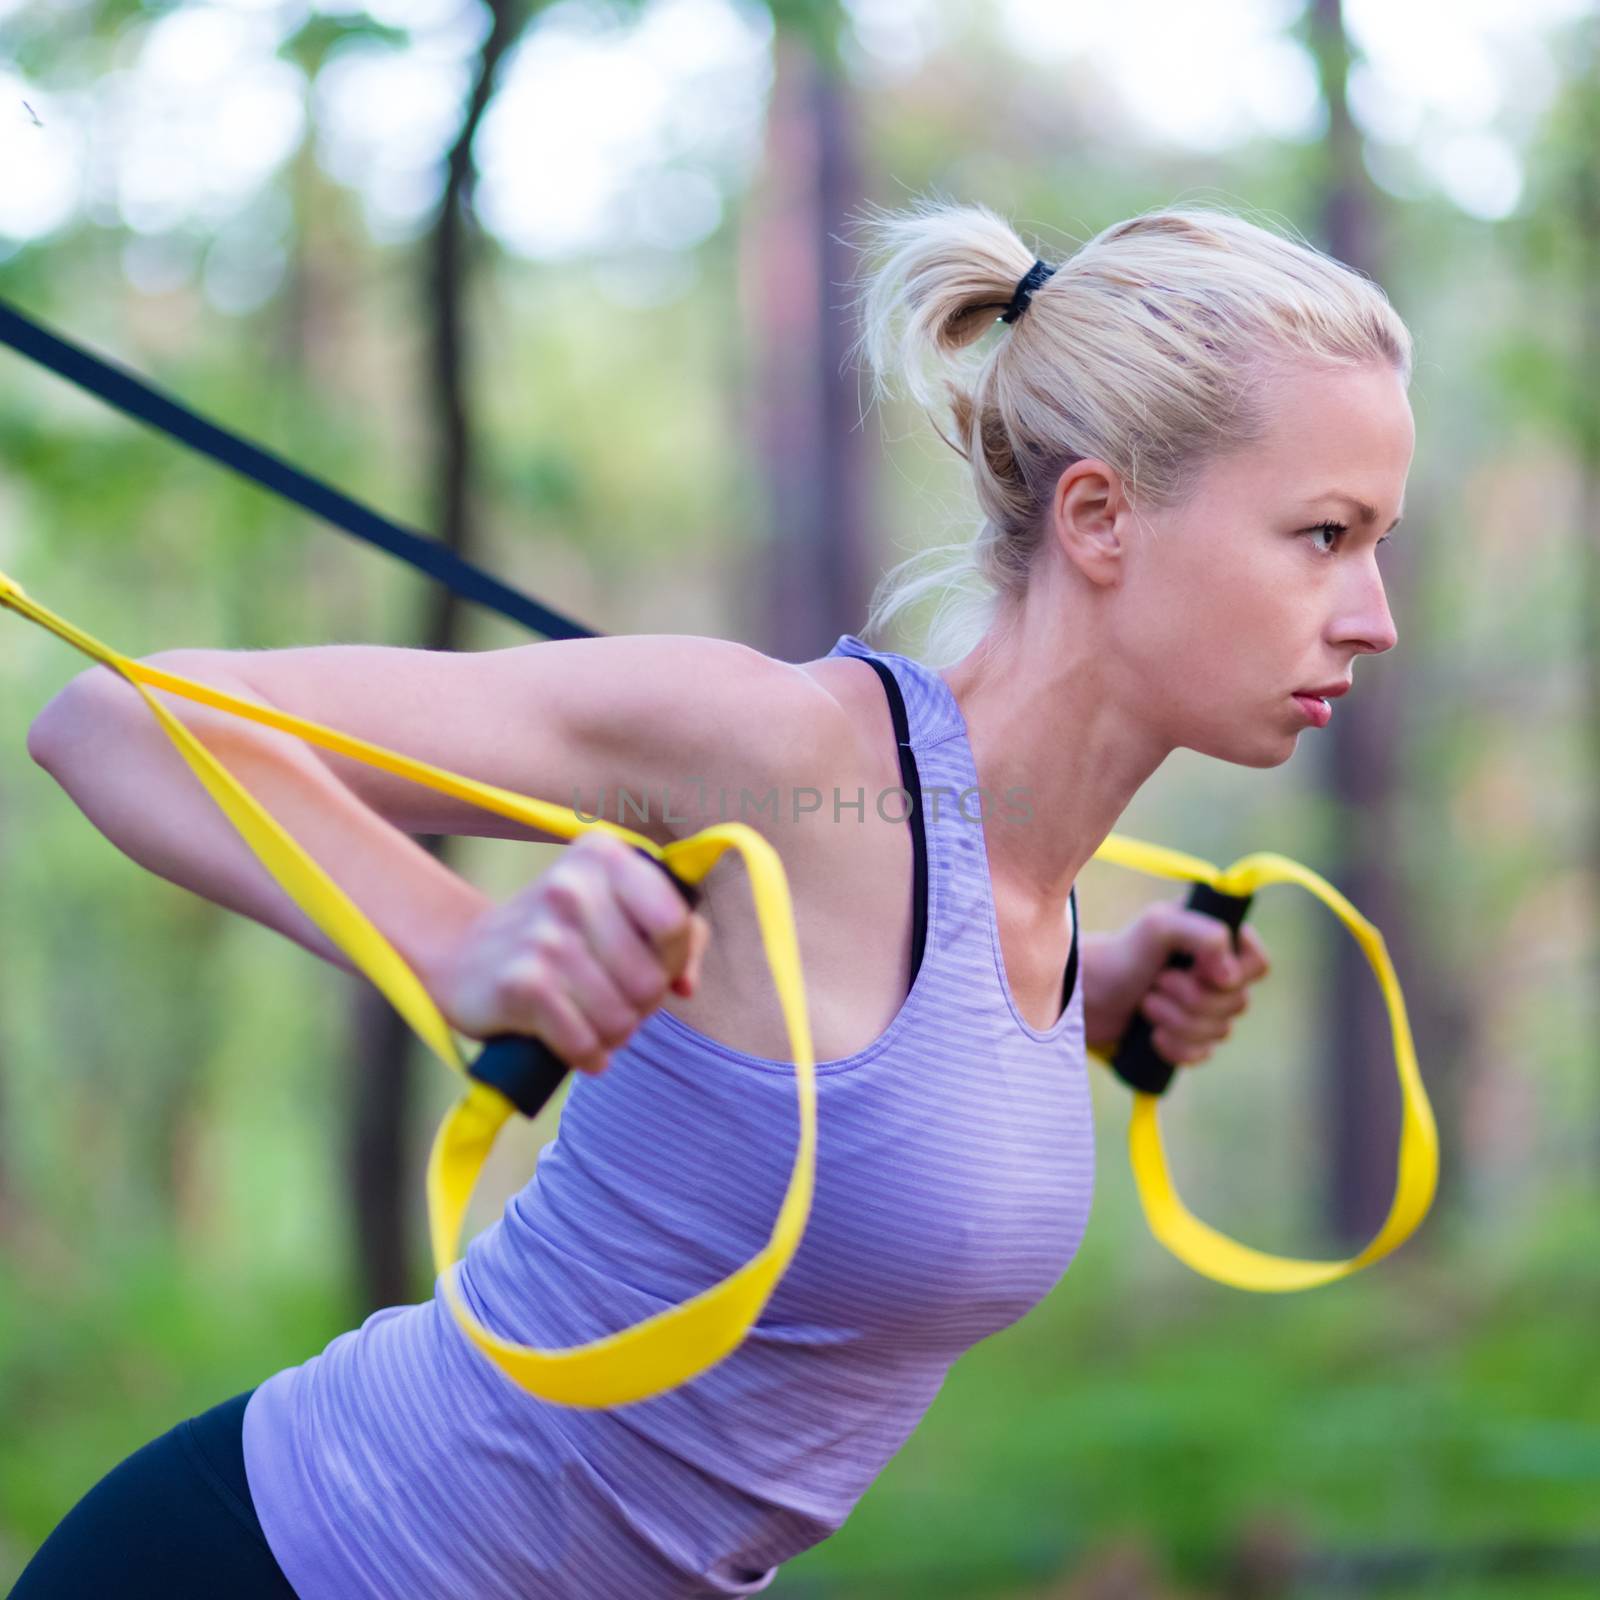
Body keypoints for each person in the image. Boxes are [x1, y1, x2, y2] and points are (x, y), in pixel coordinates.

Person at [14, 196, 1410, 1598]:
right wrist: (458, 944)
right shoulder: (775, 750)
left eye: (1377, 543)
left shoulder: (1016, 880)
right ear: (1100, 517)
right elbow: (113, 725)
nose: (1373, 613)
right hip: (276, 1560)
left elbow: (857, 1045)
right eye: (1323, 535)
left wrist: (1089, 999)